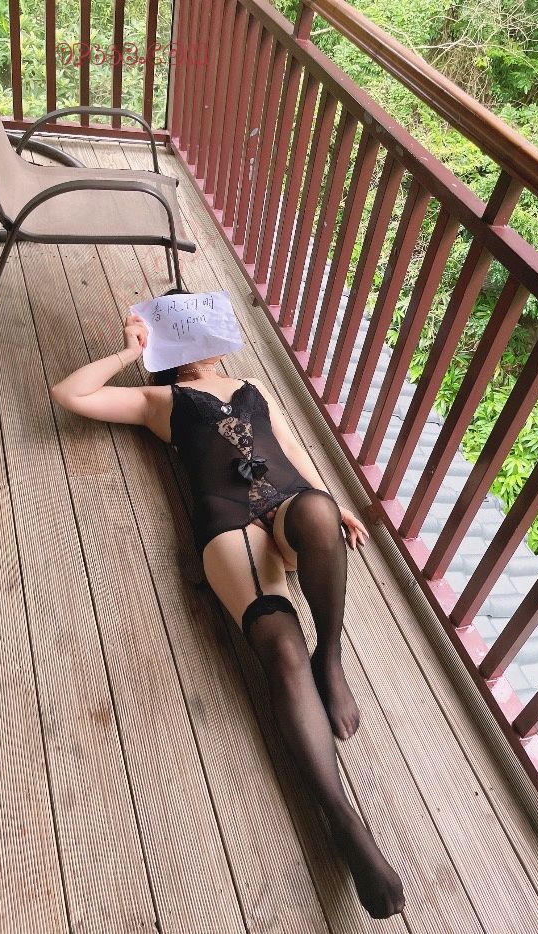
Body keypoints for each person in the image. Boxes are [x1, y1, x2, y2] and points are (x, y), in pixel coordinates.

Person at [50, 305, 406, 919]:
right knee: (281, 650)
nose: (198, 341)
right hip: (229, 525)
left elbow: (289, 448)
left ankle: (331, 656)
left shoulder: (253, 384)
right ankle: (346, 824)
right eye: (179, 332)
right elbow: (70, 394)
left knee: (318, 511)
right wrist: (131, 353)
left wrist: (336, 500)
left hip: (289, 505)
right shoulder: (158, 401)